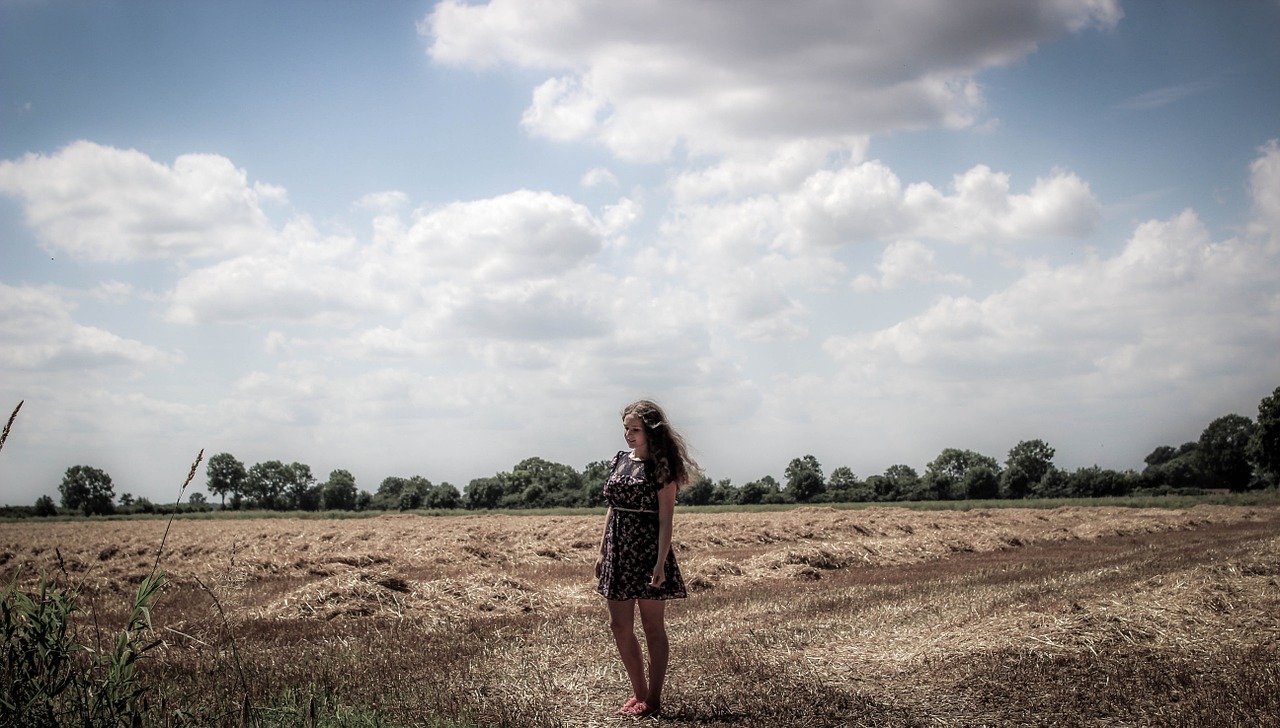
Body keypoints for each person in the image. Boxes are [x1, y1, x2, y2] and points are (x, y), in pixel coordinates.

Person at [595, 399, 699, 719]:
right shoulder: (619, 461)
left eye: (635, 429)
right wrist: (602, 551)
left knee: (653, 627)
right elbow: (612, 508)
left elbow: (667, 519)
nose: (628, 434)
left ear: (651, 431)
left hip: (648, 552)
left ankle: (653, 699)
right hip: (618, 549)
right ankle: (638, 692)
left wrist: (659, 562)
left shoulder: (661, 466)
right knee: (618, 625)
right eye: (626, 428)